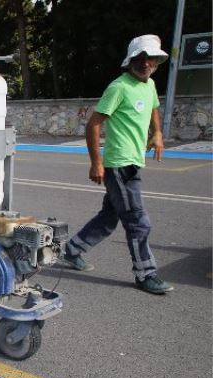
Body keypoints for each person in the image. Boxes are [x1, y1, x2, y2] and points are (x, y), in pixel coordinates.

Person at [62, 34, 173, 295]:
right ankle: (145, 274)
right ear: (131, 60)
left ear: (157, 61)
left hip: (134, 162)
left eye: (151, 59)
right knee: (137, 221)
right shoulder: (119, 87)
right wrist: (96, 163)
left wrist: (157, 133)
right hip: (119, 164)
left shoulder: (150, 85)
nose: (146, 64)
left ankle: (72, 249)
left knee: (109, 217)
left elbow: (154, 108)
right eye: (140, 58)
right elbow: (94, 124)